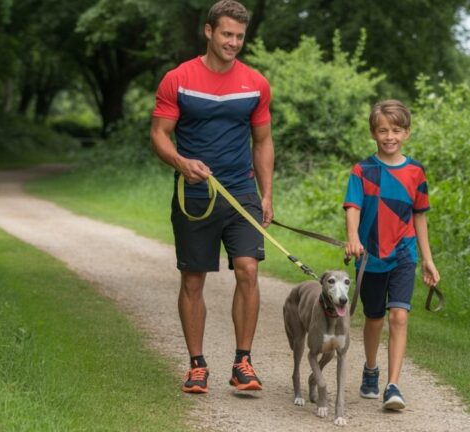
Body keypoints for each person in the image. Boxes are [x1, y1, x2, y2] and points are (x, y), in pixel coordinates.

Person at [150, 0, 274, 394]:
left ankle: (243, 363)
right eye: (226, 34)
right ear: (209, 31)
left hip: (241, 192)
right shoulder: (178, 79)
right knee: (193, 279)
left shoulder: (256, 83)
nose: (233, 42)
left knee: (248, 269)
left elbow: (263, 141)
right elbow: (159, 135)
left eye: (239, 36)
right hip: (195, 194)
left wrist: (266, 194)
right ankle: (196, 365)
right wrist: (180, 162)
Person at [343, 99, 440, 410]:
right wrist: (353, 238)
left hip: (403, 254)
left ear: (406, 133)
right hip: (370, 257)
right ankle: (371, 369)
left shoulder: (416, 171)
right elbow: (353, 207)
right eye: (383, 130)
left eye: (396, 130)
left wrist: (427, 259)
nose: (390, 137)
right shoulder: (362, 170)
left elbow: (420, 215)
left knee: (399, 316)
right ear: (373, 133)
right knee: (374, 319)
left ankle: (393, 385)